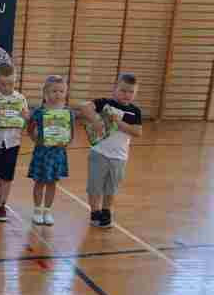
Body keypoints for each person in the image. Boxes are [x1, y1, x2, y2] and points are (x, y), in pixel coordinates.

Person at [79, 73, 142, 229]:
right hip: (99, 153)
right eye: (123, 90)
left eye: (131, 92)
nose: (127, 95)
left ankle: (106, 211)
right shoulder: (105, 103)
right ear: (115, 89)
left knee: (111, 187)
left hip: (119, 157)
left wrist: (119, 123)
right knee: (95, 185)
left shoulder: (135, 112)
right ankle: (95, 212)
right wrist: (96, 119)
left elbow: (137, 132)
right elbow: (85, 107)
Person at [0, 63, 29, 222]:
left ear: (15, 81)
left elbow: (24, 121)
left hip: (12, 143)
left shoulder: (20, 98)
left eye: (11, 83)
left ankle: (2, 204)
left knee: (7, 177)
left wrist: (25, 118)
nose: (7, 87)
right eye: (3, 84)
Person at [27, 75, 74, 226]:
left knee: (52, 183)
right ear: (45, 93)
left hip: (57, 154)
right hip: (42, 153)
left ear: (65, 93)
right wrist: (36, 139)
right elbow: (30, 129)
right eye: (54, 91)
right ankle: (37, 211)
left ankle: (47, 211)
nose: (58, 94)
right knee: (39, 182)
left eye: (61, 91)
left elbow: (71, 133)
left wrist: (65, 142)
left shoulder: (68, 112)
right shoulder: (39, 112)